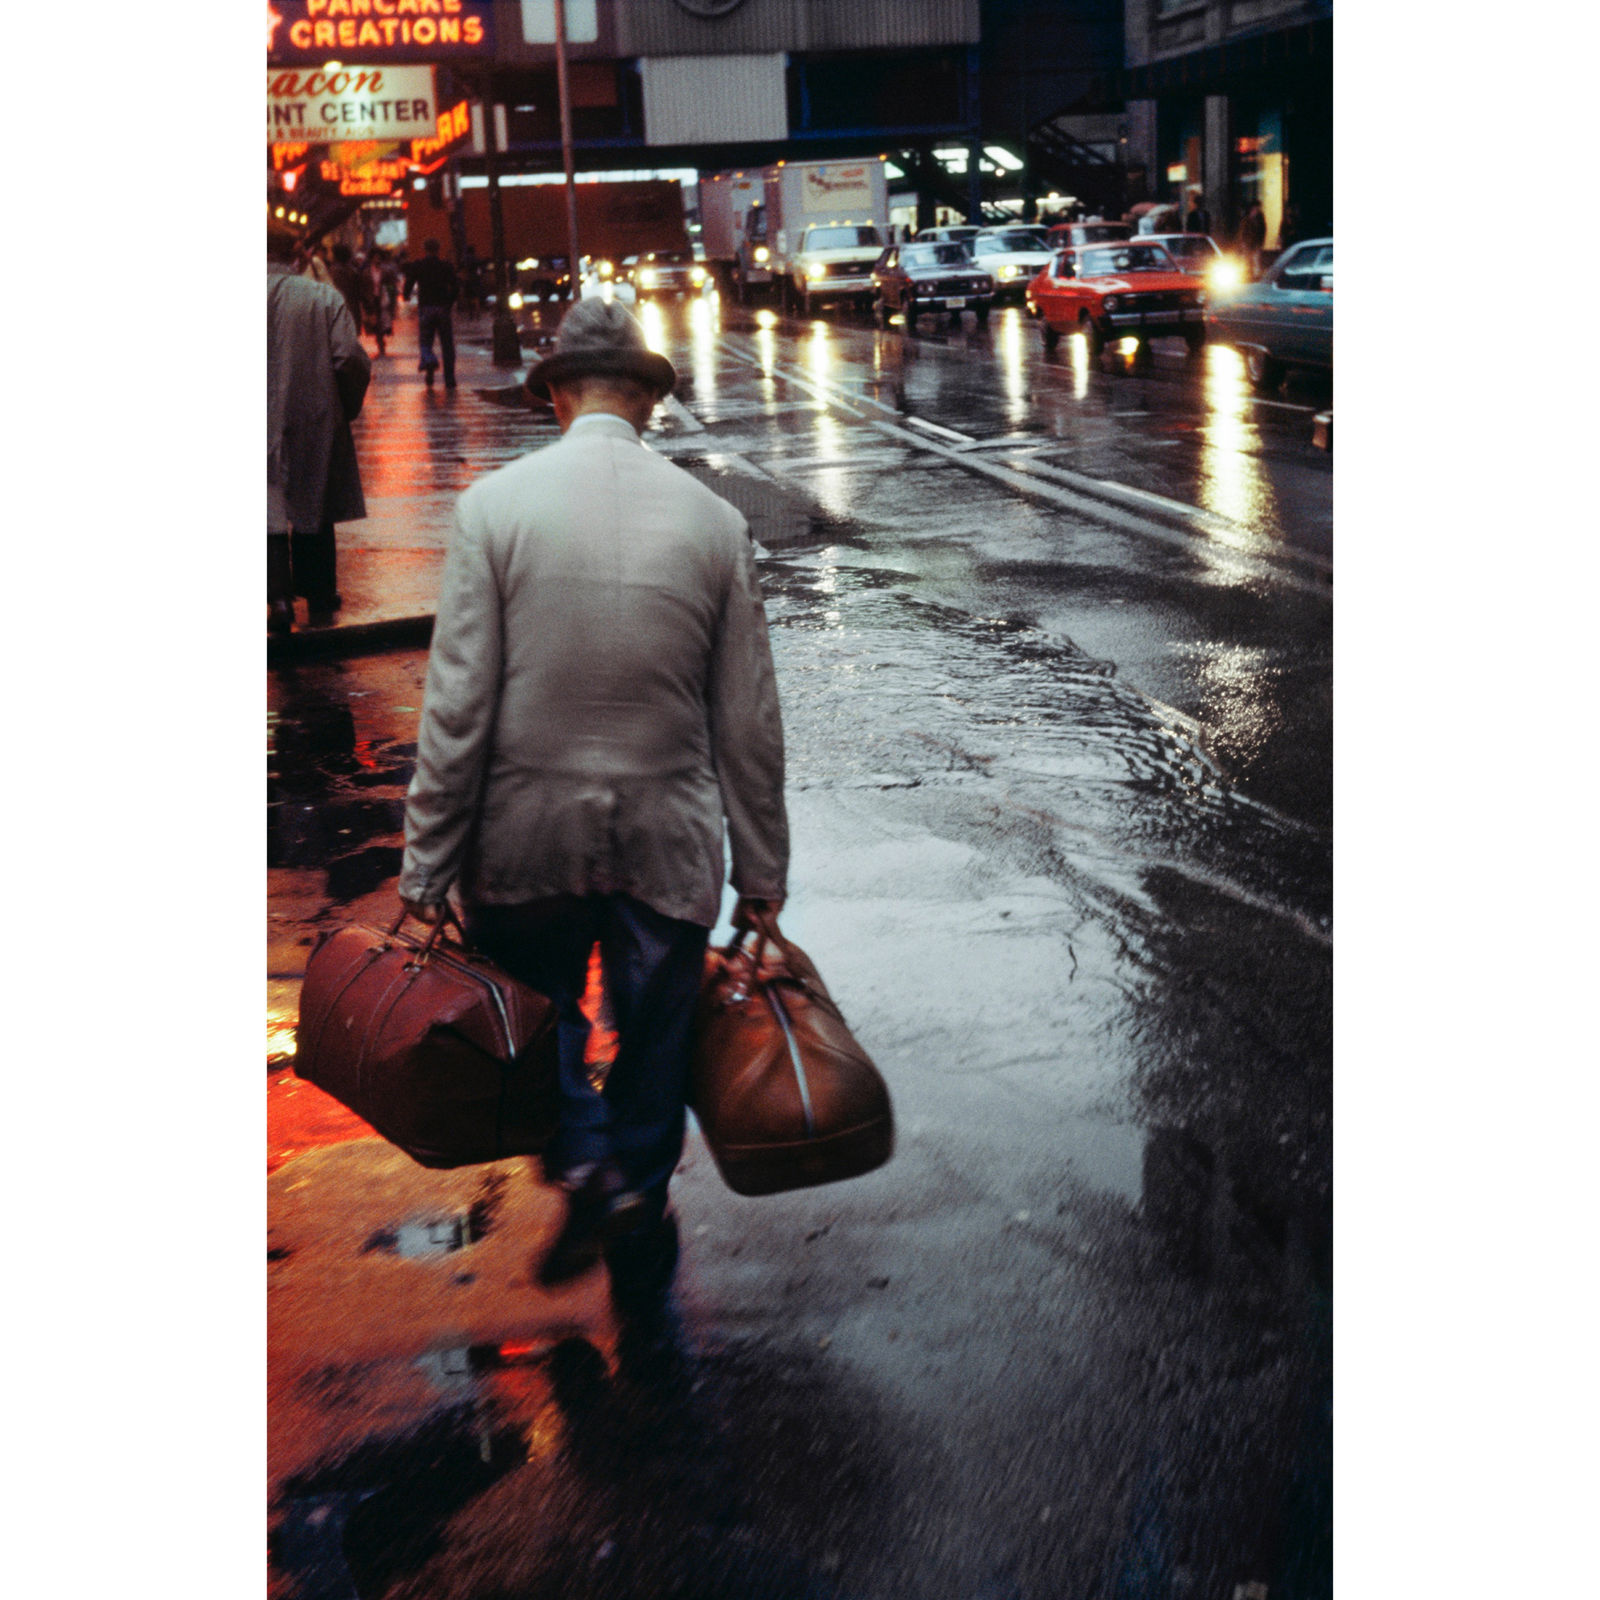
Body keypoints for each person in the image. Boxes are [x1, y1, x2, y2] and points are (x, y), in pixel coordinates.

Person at [397, 299, 789, 1338]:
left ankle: (580, 1156)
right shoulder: (715, 522)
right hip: (667, 835)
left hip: (524, 836)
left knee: (542, 1017)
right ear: (650, 404)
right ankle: (638, 1195)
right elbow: (746, 714)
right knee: (657, 1029)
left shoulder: (496, 508)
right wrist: (763, 869)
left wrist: (427, 860)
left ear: (556, 396)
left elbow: (458, 701)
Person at [268, 228, 370, 634]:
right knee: (314, 502)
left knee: (265, 507)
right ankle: (318, 591)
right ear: (297, 257)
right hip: (310, 413)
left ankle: (277, 597)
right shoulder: (322, 298)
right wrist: (342, 406)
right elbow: (349, 358)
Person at [406, 237, 459, 389]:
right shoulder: (445, 266)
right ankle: (449, 379)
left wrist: (407, 294)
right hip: (442, 308)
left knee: (425, 341)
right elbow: (455, 286)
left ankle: (429, 365)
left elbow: (409, 284)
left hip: (426, 308)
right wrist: (449, 302)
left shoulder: (419, 265)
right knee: (447, 344)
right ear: (438, 249)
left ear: (424, 249)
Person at [1239, 199, 1267, 278]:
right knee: (1247, 259)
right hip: (1248, 242)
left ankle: (1255, 275)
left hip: (1256, 242)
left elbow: (1263, 229)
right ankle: (1246, 274)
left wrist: (1261, 241)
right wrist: (1242, 242)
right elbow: (1243, 230)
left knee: (1255, 259)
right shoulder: (1247, 217)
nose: (1258, 209)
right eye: (1256, 207)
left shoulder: (1260, 217)